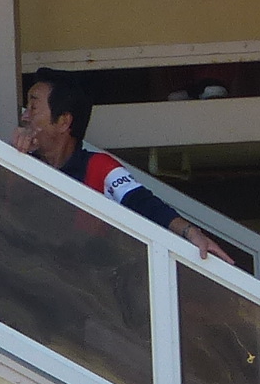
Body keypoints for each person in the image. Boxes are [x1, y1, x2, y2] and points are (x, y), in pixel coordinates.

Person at [14, 67, 231, 259]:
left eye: (33, 107)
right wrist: (16, 157)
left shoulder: (98, 166)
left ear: (63, 122)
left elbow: (140, 201)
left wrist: (191, 232)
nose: (25, 117)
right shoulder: (17, 162)